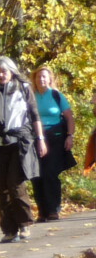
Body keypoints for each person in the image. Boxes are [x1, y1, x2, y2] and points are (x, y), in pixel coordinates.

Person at [0, 58, 45, 243]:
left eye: (4, 71)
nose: (1, 75)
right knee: (1, 187)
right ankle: (10, 229)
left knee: (15, 184)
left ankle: (25, 223)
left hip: (20, 141)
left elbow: (34, 115)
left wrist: (40, 139)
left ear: (11, 71)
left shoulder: (23, 87)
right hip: (0, 143)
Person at [29, 66, 76, 222]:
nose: (41, 80)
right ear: (34, 79)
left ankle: (53, 210)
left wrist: (70, 136)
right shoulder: (31, 97)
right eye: (38, 77)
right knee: (37, 174)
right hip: (36, 138)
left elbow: (69, 117)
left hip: (55, 137)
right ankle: (42, 211)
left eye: (44, 77)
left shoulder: (56, 95)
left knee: (50, 173)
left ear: (49, 79)